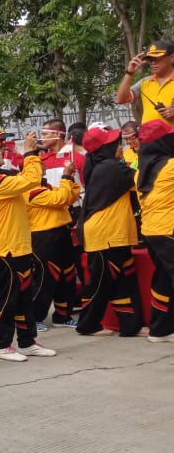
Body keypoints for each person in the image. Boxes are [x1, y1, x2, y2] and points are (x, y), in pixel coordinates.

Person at [0, 131, 55, 362]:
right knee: (6, 299)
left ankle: (27, 341)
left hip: (18, 246)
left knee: (24, 298)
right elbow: (31, 180)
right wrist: (30, 153)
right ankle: (2, 344)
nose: (3, 151)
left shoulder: (0, 177)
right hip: (5, 248)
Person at [75, 123, 144, 337]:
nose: (120, 146)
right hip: (106, 235)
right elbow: (141, 179)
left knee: (124, 281)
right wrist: (147, 154)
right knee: (100, 283)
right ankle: (87, 324)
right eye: (116, 143)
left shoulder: (104, 166)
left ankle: (131, 326)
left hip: (114, 234)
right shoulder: (111, 168)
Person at [30, 119, 83, 331]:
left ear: (59, 134)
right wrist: (66, 182)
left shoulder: (76, 158)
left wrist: (67, 186)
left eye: (46, 133)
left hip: (64, 226)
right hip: (43, 233)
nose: (42, 138)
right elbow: (62, 196)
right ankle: (35, 316)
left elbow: (73, 193)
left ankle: (63, 314)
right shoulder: (35, 178)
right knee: (45, 276)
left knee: (68, 274)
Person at [136, 119, 174, 342]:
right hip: (168, 230)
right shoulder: (170, 167)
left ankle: (159, 330)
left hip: (151, 231)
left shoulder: (141, 170)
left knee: (162, 278)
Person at [117, 40, 174, 124]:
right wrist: (129, 73)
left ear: (172, 57)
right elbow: (121, 99)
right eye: (150, 60)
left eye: (157, 59)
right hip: (149, 135)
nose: (153, 63)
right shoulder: (144, 82)